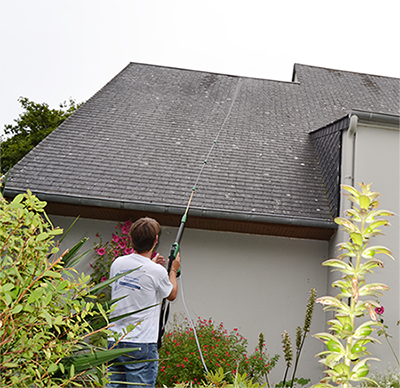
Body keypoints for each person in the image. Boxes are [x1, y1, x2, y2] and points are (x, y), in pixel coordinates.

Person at [107, 217, 180, 388]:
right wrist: (173, 269)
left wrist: (151, 263)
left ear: (131, 238)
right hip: (141, 344)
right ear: (155, 240)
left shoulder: (117, 264)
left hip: (115, 340)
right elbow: (171, 294)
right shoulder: (156, 271)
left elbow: (136, 280)